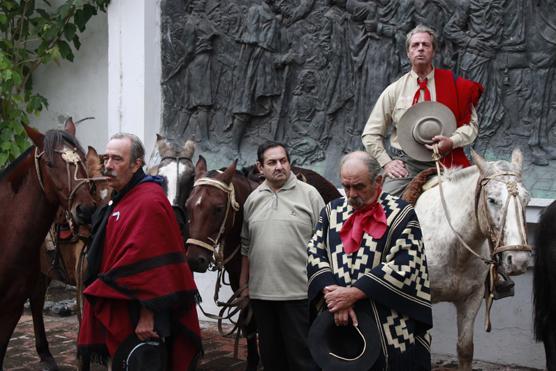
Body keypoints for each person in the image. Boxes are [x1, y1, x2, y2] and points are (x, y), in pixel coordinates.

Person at [77, 133, 201, 370]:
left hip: (141, 316)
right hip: (120, 303)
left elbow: (154, 266)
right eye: (107, 158)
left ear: (136, 163)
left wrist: (147, 315)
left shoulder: (149, 201)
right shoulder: (123, 196)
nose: (109, 165)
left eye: (117, 159)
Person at [307, 151, 432, 370]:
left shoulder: (401, 214)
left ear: (379, 181)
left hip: (388, 324)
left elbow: (407, 264)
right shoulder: (331, 211)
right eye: (346, 186)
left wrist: (353, 293)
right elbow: (315, 253)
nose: (351, 194)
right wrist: (335, 298)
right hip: (336, 319)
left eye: (359, 187)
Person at [361, 24, 483, 196]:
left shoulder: (454, 85)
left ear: (433, 52)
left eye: (425, 45)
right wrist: (387, 163)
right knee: (384, 207)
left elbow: (471, 125)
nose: (420, 49)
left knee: (477, 201)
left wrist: (452, 141)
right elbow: (370, 134)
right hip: (408, 165)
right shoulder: (394, 90)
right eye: (415, 45)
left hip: (448, 159)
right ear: (408, 52)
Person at [239, 141, 324, 371]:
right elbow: (246, 245)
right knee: (271, 358)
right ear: (260, 167)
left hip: (299, 293)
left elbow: (325, 242)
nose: (279, 166)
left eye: (283, 161)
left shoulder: (310, 195)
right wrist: (244, 284)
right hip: (262, 295)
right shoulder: (253, 199)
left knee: (303, 359)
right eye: (272, 162)